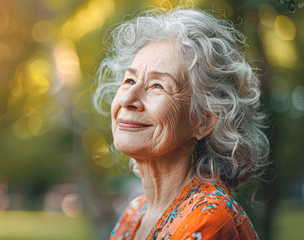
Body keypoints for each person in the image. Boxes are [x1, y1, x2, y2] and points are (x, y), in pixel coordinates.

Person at [93, 7, 270, 240]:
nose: (127, 99)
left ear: (203, 121)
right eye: (129, 80)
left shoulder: (210, 219)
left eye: (158, 85)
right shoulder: (135, 213)